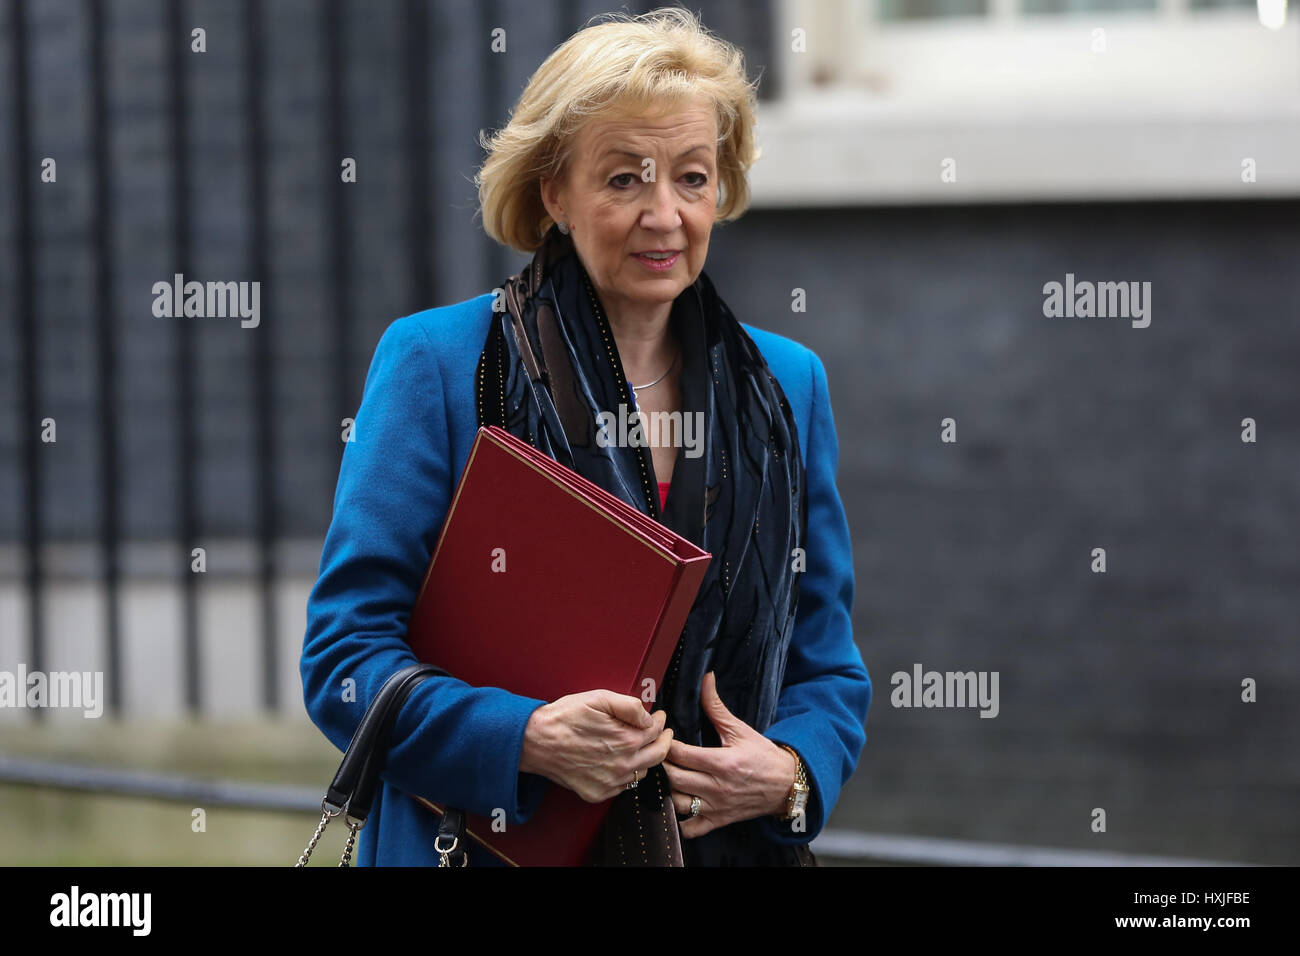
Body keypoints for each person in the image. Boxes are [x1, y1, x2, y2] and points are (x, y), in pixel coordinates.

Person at [300, 7, 871, 866]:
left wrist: (791, 773)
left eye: (691, 177)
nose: (665, 215)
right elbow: (343, 657)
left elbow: (826, 665)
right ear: (552, 193)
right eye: (624, 180)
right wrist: (522, 737)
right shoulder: (441, 363)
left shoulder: (788, 385)